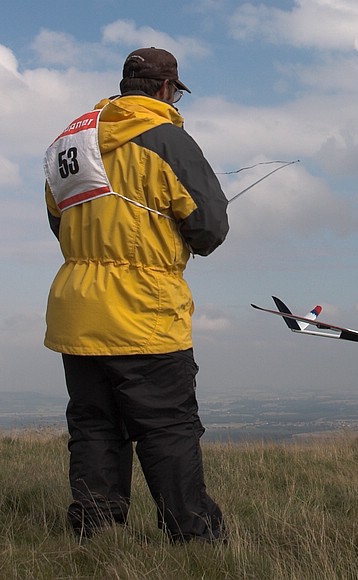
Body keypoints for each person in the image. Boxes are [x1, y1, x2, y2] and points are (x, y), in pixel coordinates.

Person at [43, 47, 229, 542]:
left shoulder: (69, 144)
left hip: (77, 314)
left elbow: (58, 224)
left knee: (94, 426)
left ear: (125, 86)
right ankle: (196, 542)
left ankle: (97, 538)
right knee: (168, 428)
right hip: (144, 313)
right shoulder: (168, 140)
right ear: (168, 90)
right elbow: (209, 229)